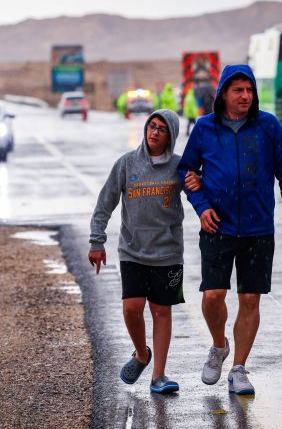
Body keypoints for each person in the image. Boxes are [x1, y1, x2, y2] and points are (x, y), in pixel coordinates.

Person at [177, 64, 282, 396]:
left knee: (250, 298)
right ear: (223, 94)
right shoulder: (205, 128)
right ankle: (219, 346)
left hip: (258, 228)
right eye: (238, 90)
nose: (246, 95)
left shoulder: (269, 126)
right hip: (217, 225)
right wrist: (202, 206)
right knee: (213, 296)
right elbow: (186, 171)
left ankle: (239, 369)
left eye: (249, 90)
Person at [89, 109, 191, 394]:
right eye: (152, 126)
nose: (154, 132)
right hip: (132, 251)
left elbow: (200, 193)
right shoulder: (126, 164)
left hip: (168, 254)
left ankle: (158, 375)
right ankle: (141, 354)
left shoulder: (179, 167)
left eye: (162, 129)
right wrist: (97, 242)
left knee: (161, 311)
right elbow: (104, 204)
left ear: (170, 137)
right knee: (132, 309)